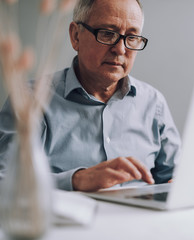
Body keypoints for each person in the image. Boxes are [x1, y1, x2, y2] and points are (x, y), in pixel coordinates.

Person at [0, 0, 181, 192]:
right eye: (107, 34)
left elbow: (175, 176)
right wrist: (76, 180)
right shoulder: (30, 101)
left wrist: (181, 185)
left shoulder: (154, 103)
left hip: (145, 220)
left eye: (132, 37)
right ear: (75, 36)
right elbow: (4, 181)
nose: (120, 49)